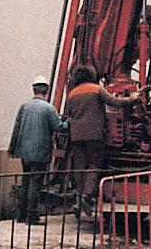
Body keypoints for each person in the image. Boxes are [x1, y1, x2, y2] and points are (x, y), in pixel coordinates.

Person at [65, 65, 139, 214]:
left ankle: (79, 199)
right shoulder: (96, 89)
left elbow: (68, 114)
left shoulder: (72, 94)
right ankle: (86, 196)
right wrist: (132, 98)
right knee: (93, 164)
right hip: (94, 135)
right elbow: (115, 102)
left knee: (79, 166)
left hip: (76, 136)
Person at [8, 74, 67, 224]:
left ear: (34, 90)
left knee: (26, 179)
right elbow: (59, 127)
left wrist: (12, 148)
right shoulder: (49, 109)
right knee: (35, 182)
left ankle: (21, 215)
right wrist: (70, 123)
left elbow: (16, 129)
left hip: (24, 152)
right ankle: (32, 215)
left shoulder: (24, 106)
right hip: (40, 152)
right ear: (46, 91)